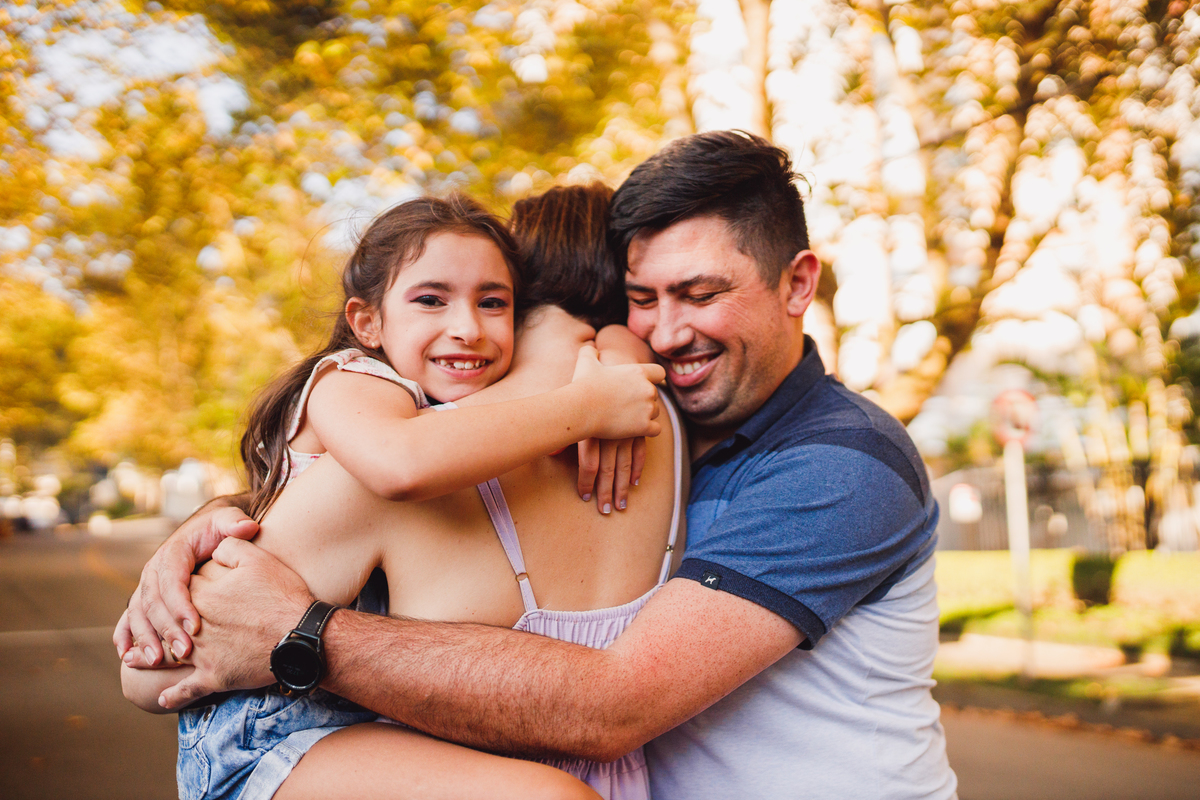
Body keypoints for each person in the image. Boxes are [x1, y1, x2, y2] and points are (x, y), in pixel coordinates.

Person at [119, 131, 958, 799]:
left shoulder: (839, 465)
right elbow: (359, 473)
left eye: (702, 294)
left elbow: (616, 705)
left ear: (799, 283)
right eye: (642, 300)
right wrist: (212, 527)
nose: (667, 335)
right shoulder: (669, 417)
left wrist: (298, 632)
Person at [121, 190, 678, 799]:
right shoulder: (354, 384)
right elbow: (399, 464)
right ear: (367, 322)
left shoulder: (449, 412)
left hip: (351, 713)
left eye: (494, 302)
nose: (467, 328)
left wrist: (614, 347)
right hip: (266, 728)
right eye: (431, 299)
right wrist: (589, 401)